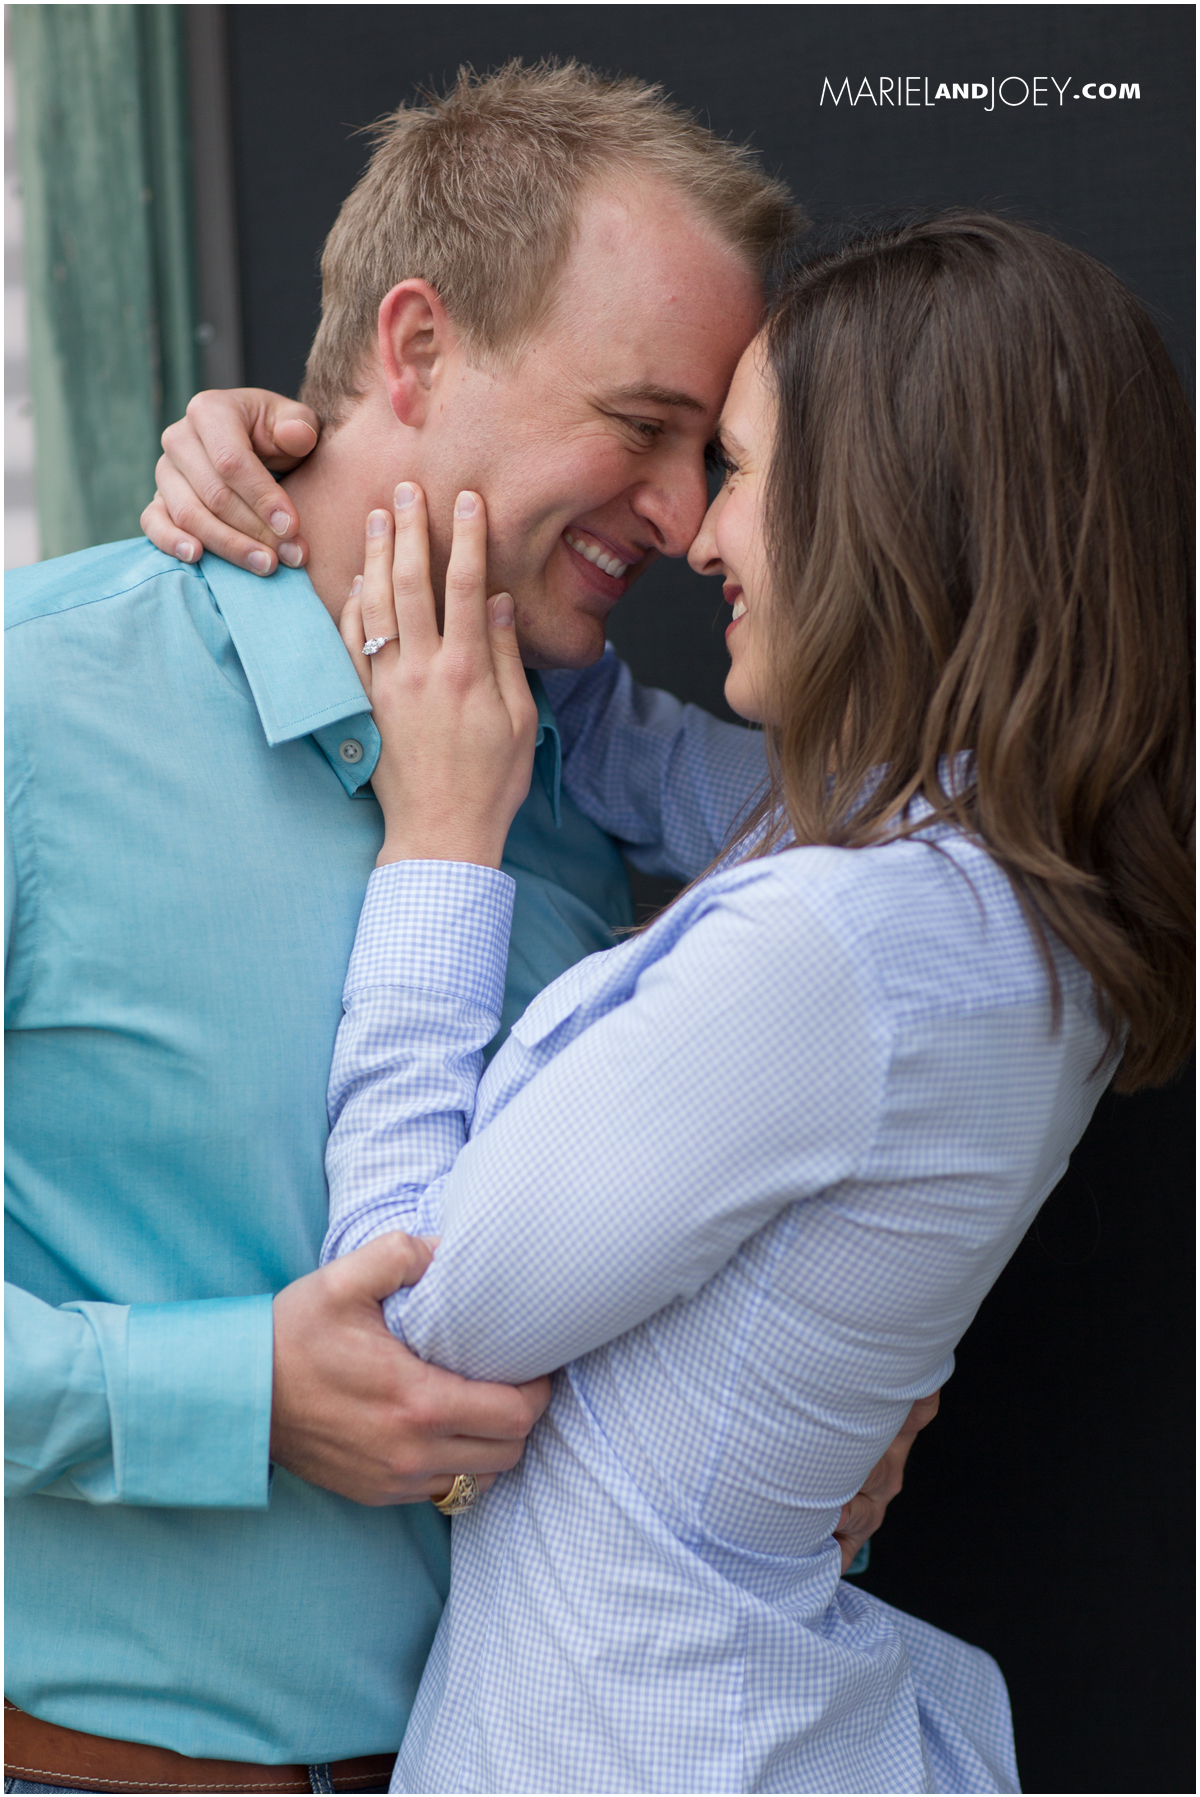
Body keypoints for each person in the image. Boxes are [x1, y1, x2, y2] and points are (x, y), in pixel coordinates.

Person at [5, 62, 919, 1797]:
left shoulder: (596, 782)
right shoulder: (32, 713)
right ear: (414, 350)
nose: (681, 517)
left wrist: (832, 1424)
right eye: (640, 426)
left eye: (710, 455)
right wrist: (234, 1392)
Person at [303, 215, 1191, 1792]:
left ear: (892, 516)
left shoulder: (843, 947)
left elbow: (408, 1320)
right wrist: (306, 467)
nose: (702, 538)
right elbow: (649, 758)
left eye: (742, 471)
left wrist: (441, 843)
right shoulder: (1004, 880)